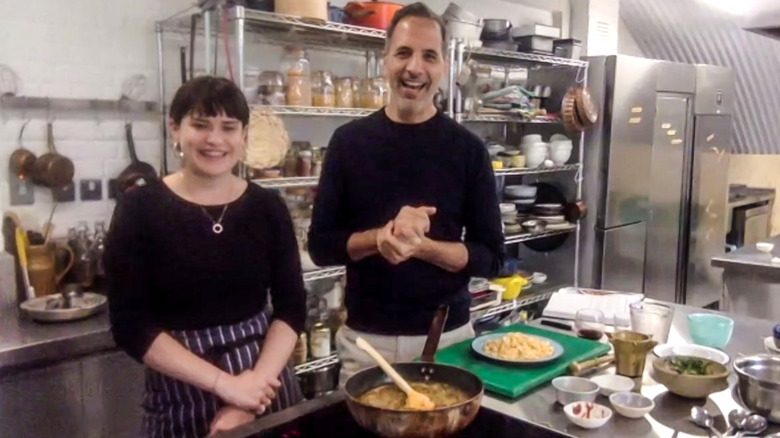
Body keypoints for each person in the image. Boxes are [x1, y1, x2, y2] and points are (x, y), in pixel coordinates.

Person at [308, 2, 504, 383]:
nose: (414, 67)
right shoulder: (349, 143)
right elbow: (321, 246)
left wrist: (423, 247)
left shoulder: (467, 150)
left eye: (429, 56)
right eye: (403, 53)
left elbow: (492, 258)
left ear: (443, 67)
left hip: (447, 340)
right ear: (385, 60)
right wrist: (379, 239)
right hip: (368, 345)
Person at [104, 76, 305, 438]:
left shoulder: (267, 207)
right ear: (175, 130)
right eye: (200, 125)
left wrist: (251, 393)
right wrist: (225, 385)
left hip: (265, 385)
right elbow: (131, 327)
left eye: (228, 127)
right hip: (182, 392)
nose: (215, 139)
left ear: (243, 136)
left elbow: (292, 308)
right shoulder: (139, 210)